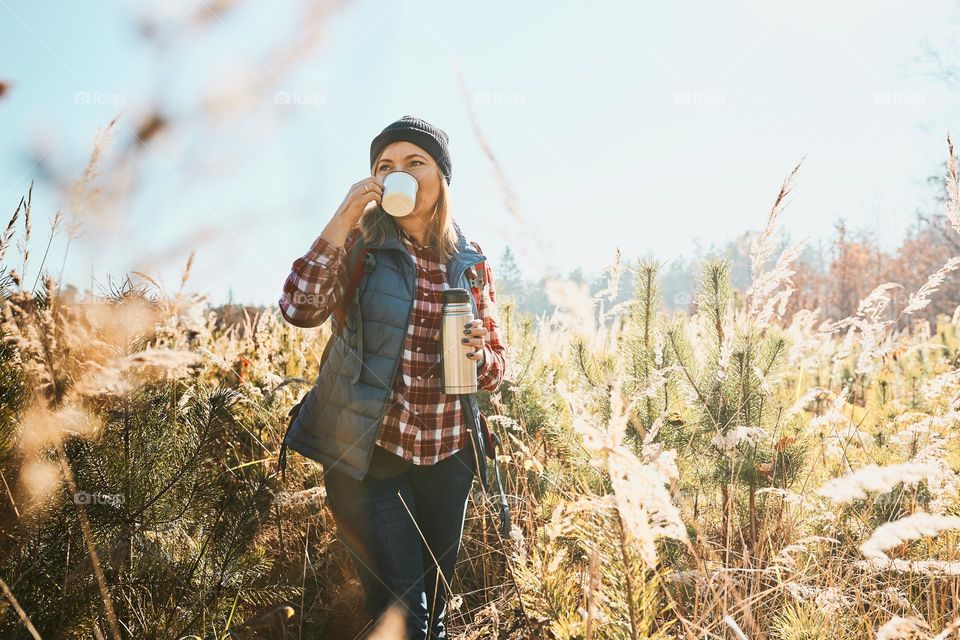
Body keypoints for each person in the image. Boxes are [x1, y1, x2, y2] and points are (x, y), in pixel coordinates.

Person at [278, 115, 507, 639]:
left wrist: (479, 353)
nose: (397, 173)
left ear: (441, 177)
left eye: (414, 163)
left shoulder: (470, 263)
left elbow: (495, 367)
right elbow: (298, 306)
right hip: (367, 458)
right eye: (385, 166)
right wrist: (342, 217)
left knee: (437, 614)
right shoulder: (361, 244)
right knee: (405, 614)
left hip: (447, 459)